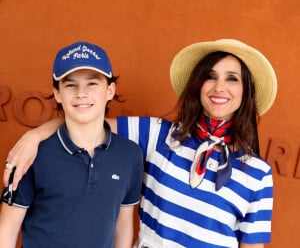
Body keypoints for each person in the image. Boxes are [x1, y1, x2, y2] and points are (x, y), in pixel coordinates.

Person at [3, 39, 277, 248]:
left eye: (232, 78)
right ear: (198, 85)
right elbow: (88, 119)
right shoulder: (158, 135)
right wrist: (35, 135)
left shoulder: (259, 174)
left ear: (246, 91)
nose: (220, 87)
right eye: (210, 76)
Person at [0, 41, 143, 248]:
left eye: (92, 83)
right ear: (57, 93)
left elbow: (123, 224)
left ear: (110, 90)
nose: (81, 93)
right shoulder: (29, 154)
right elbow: (7, 229)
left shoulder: (130, 155)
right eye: (70, 85)